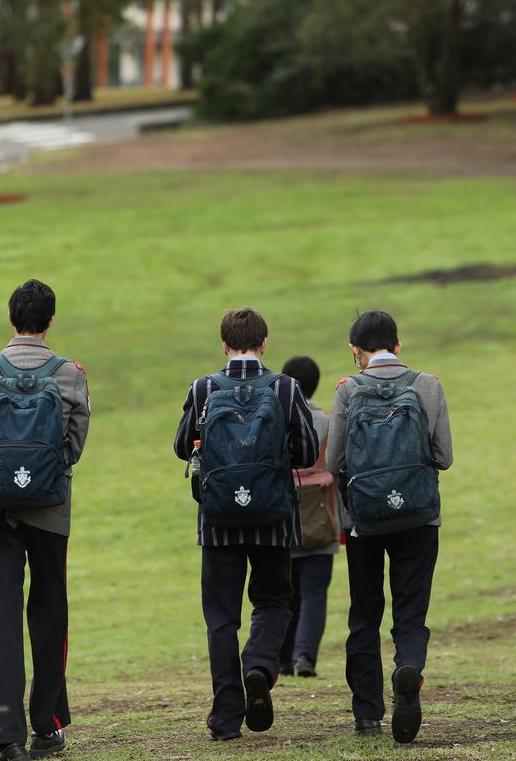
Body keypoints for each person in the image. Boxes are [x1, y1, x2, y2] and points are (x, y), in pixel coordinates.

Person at [173, 307, 319, 742]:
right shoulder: (285, 387)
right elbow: (308, 451)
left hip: (218, 519)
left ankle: (225, 716)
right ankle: (257, 665)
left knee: (221, 618)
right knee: (274, 601)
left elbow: (183, 447)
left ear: (224, 344)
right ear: (264, 342)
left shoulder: (203, 388)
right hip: (273, 517)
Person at [0, 279, 90, 761]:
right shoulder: (70, 374)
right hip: (50, 510)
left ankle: (7, 736)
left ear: (11, 318)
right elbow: (75, 444)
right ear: (51, 321)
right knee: (49, 615)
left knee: (2, 624)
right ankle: (47, 725)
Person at [326, 310, 452, 744]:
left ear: (355, 351)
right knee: (410, 608)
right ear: (398, 346)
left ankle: (366, 714)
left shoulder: (348, 390)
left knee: (364, 613)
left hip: (363, 519)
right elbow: (445, 456)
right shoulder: (428, 385)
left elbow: (332, 462)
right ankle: (408, 665)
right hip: (419, 516)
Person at [278, 356, 340, 679]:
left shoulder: (275, 419)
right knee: (315, 591)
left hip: (283, 520)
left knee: (284, 591)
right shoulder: (328, 421)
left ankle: (282, 658)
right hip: (320, 518)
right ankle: (306, 657)